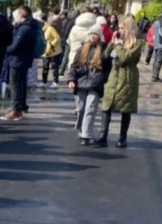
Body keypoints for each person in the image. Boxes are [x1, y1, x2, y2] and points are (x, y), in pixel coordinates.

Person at [97, 16, 142, 149]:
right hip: (114, 75)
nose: (119, 30)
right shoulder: (118, 41)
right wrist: (112, 43)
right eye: (119, 28)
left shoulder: (137, 43)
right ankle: (103, 136)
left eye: (122, 28)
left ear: (129, 29)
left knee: (125, 108)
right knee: (106, 105)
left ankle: (122, 138)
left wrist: (117, 46)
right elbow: (107, 56)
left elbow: (124, 57)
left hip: (128, 77)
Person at [68, 25, 110, 146]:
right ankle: (82, 130)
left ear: (99, 36)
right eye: (90, 33)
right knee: (80, 109)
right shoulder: (82, 48)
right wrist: (71, 79)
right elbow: (74, 66)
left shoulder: (104, 49)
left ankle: (85, 135)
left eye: (95, 34)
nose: (92, 36)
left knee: (90, 109)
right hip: (81, 83)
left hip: (95, 84)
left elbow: (110, 64)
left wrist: (103, 78)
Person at [2, 6, 38, 121]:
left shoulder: (23, 29)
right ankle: (20, 106)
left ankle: (16, 109)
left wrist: (4, 49)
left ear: (21, 15)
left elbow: (16, 46)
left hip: (18, 60)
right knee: (21, 84)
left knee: (15, 84)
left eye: (16, 16)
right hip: (25, 59)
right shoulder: (32, 26)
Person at [41, 15, 64, 89]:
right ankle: (44, 82)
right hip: (47, 50)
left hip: (53, 50)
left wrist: (52, 44)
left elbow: (57, 37)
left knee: (54, 66)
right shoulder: (45, 28)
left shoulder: (50, 28)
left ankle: (55, 82)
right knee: (45, 66)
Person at [151, 14, 162, 82]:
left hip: (156, 43)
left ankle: (154, 75)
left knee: (155, 60)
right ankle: (155, 77)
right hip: (161, 44)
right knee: (159, 60)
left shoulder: (156, 22)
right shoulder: (161, 22)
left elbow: (154, 32)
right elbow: (160, 32)